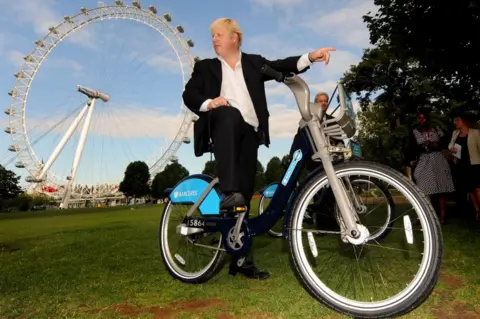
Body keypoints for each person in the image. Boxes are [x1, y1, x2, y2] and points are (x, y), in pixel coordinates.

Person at [182, 17, 336, 280]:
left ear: (234, 38)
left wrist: (311, 56)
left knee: (244, 195)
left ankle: (241, 258)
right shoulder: (206, 67)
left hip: (250, 134)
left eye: (219, 34)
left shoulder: (253, 62)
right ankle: (229, 191)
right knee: (229, 115)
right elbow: (190, 95)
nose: (214, 40)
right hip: (222, 127)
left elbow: (281, 65)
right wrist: (210, 103)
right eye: (212, 36)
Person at [404, 110, 455, 223]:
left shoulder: (436, 129)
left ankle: (442, 215)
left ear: (427, 118)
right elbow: (411, 148)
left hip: (438, 159)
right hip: (424, 159)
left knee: (441, 188)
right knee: (423, 187)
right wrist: (422, 146)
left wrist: (436, 144)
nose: (421, 120)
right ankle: (425, 215)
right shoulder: (415, 132)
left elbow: (446, 142)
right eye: (419, 118)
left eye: (423, 118)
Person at [448, 111, 480, 221]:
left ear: (464, 121)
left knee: (477, 188)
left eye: (458, 120)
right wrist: (451, 149)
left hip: (475, 164)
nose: (455, 122)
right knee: (469, 189)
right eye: (455, 120)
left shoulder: (475, 133)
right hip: (461, 164)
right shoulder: (455, 133)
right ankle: (477, 210)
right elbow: (450, 145)